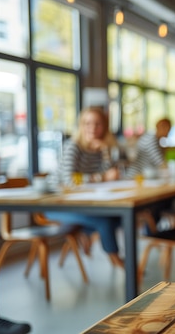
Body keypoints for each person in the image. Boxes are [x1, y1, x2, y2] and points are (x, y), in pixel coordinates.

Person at [46, 107, 124, 267]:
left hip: (82, 202)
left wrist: (104, 152)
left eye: (98, 124)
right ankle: (119, 262)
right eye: (87, 123)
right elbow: (70, 181)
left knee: (120, 217)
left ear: (105, 126)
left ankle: (86, 233)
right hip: (56, 203)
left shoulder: (100, 147)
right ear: (81, 126)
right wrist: (102, 177)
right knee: (105, 222)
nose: (93, 128)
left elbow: (107, 172)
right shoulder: (73, 146)